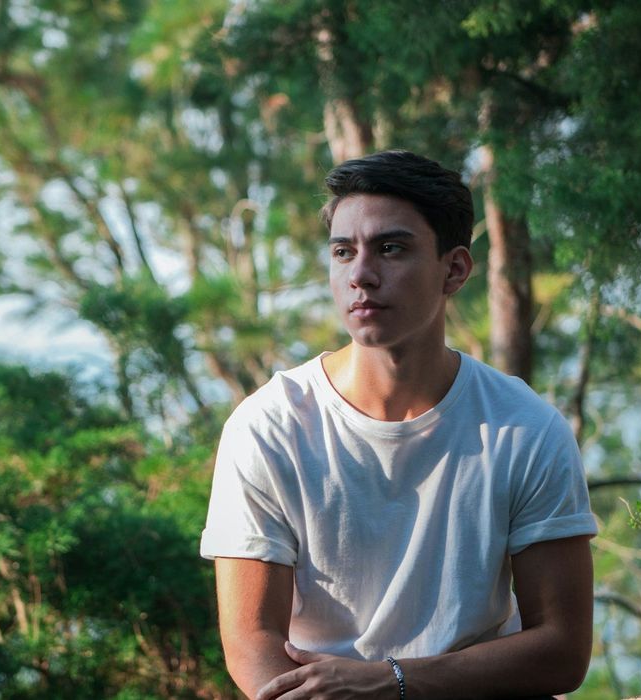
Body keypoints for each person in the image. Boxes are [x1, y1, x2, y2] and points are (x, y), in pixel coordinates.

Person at [199, 150, 597, 699]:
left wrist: (394, 683)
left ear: (454, 269)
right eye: (343, 251)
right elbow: (251, 642)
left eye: (391, 248)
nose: (361, 274)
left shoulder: (524, 428)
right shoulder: (270, 426)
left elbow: (562, 650)